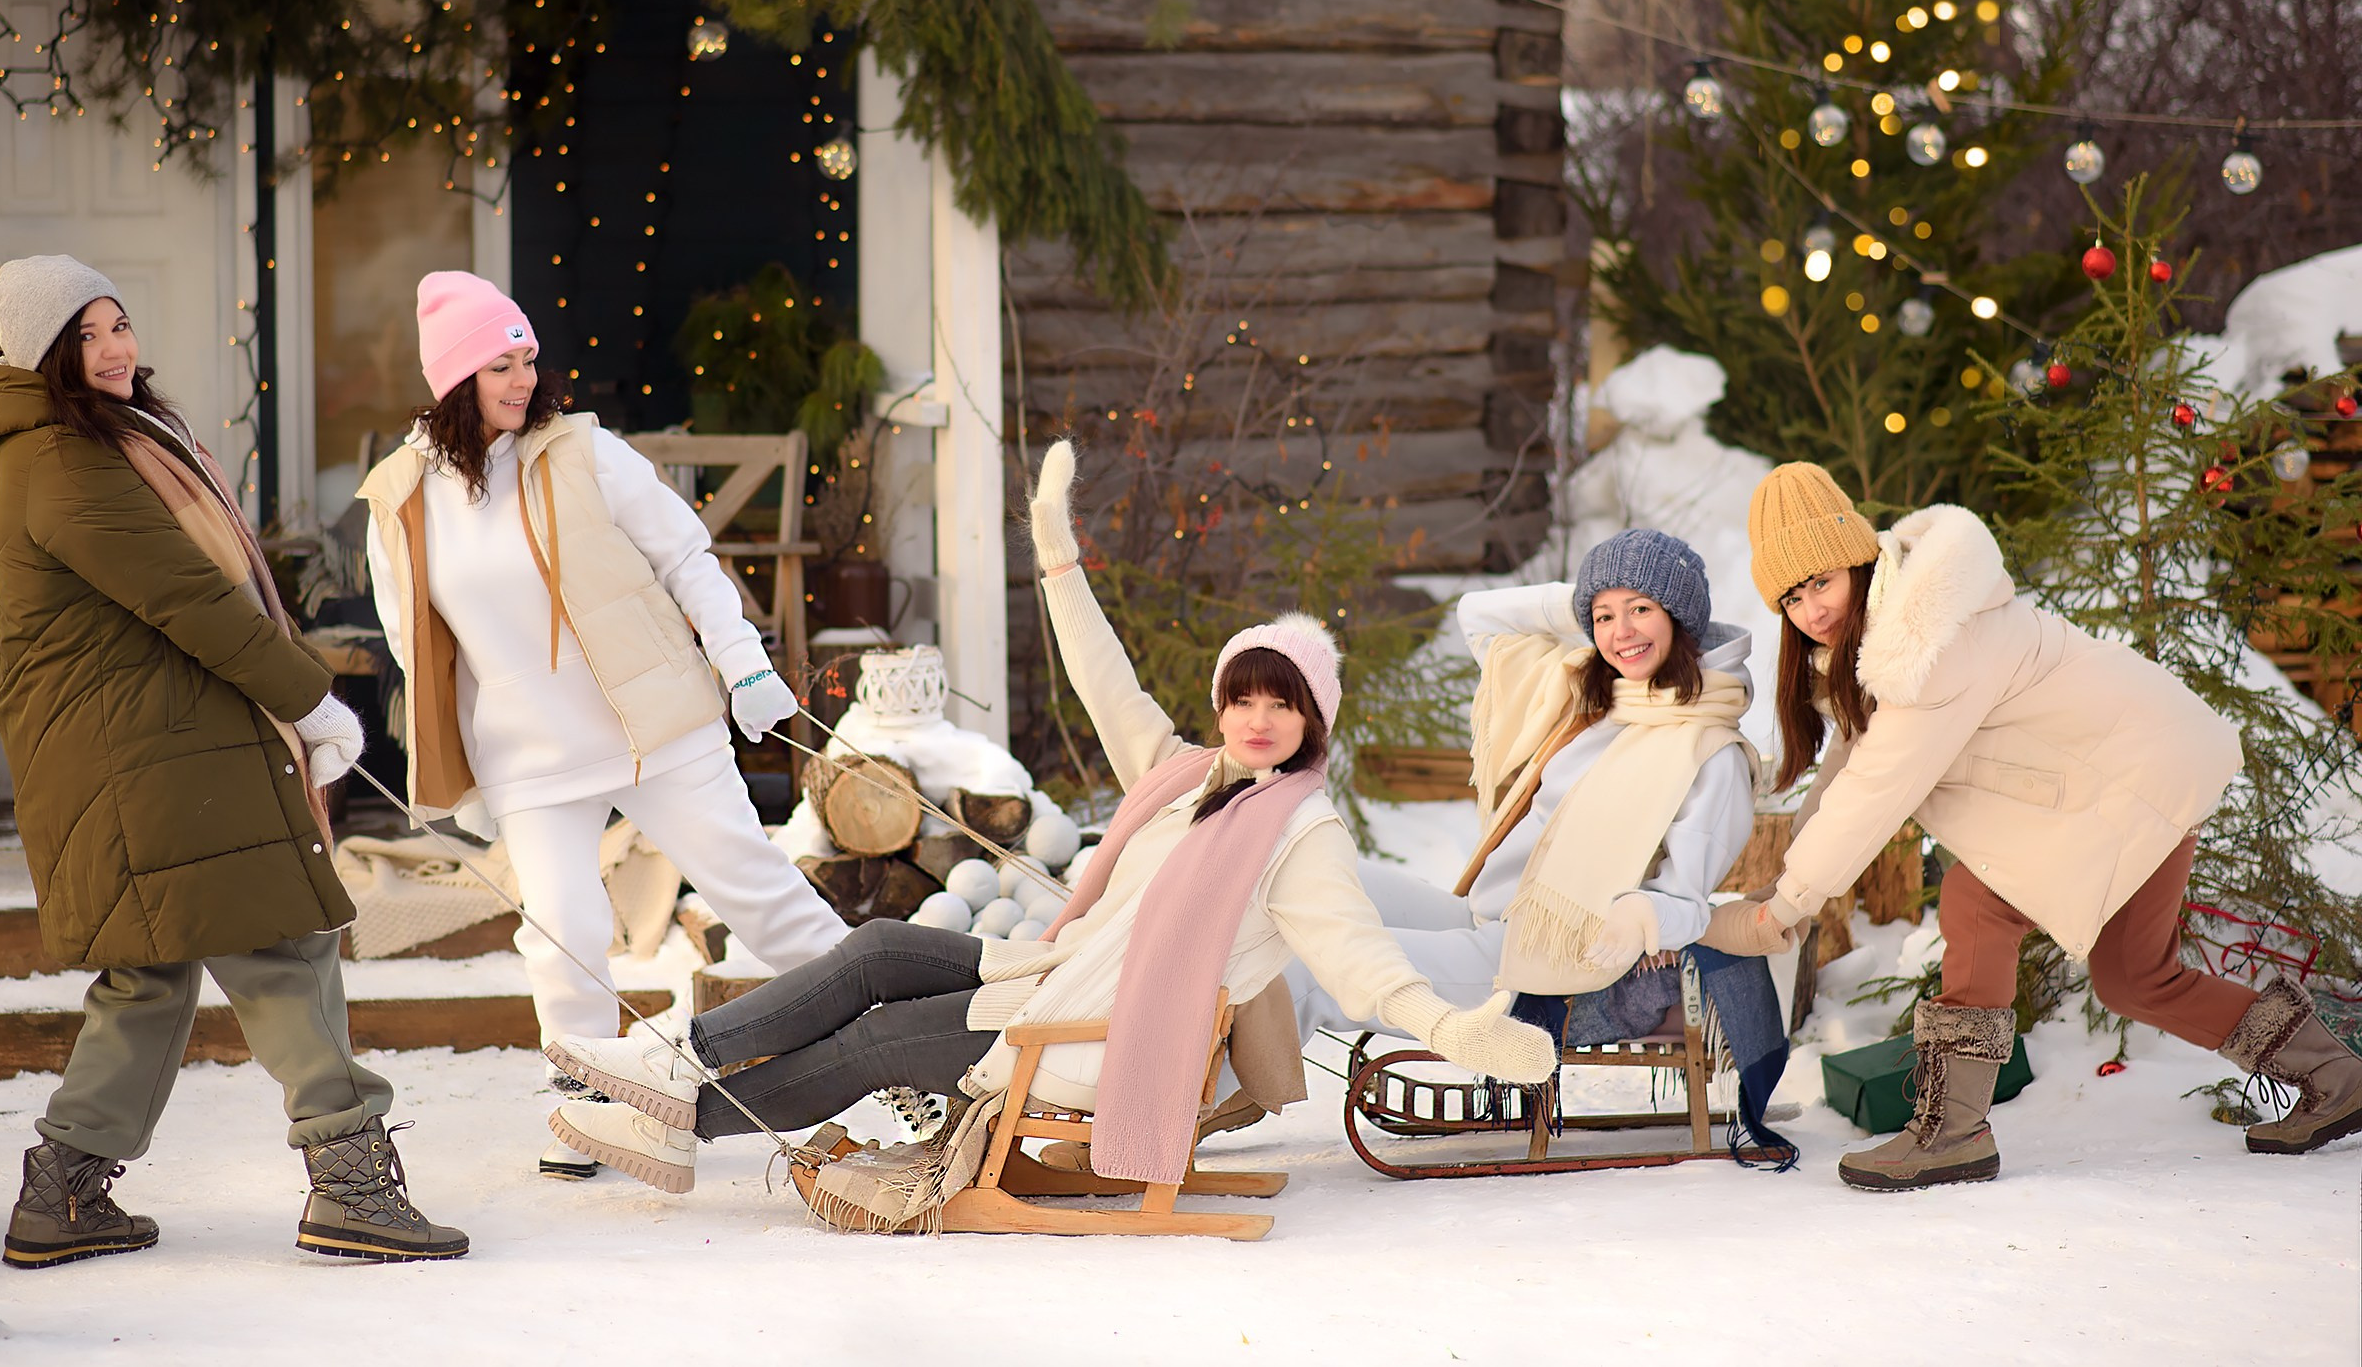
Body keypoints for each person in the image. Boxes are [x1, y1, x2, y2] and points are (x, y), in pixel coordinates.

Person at [541, 439, 1556, 1192]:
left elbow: (1362, 964)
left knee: (880, 1041)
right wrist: (1057, 551)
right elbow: (1102, 679)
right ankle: (679, 1063)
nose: (1256, 718)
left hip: (1103, 1034)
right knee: (883, 946)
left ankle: (680, 1107)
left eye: (1280, 702)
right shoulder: (1185, 773)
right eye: (1242, 696)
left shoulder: (1298, 835)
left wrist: (1459, 1029)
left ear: (1310, 723)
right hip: (1059, 980)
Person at [0, 256, 466, 1266]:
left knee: (150, 974)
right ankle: (350, 1181)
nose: (115, 348)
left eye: (119, 323)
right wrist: (309, 695)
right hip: (139, 751)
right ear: (42, 356)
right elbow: (188, 597)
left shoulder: (94, 439)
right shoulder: (61, 458)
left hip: (142, 742)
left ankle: (64, 1191)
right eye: (86, 335)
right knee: (284, 939)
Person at [1738, 462, 2362, 1190]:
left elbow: (1877, 789)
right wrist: (1786, 888)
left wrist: (1785, 909)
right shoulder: (1881, 641)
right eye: (1791, 595)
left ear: (1857, 558)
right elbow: (1849, 767)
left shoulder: (1929, 637)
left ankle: (1953, 1132)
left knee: (1977, 902)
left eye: (1821, 582)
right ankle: (2336, 1078)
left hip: (2137, 771)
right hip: (2128, 774)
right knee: (2135, 977)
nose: (1810, 607)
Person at [358, 271, 850, 1179]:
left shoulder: (584, 452)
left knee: (756, 892)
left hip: (651, 720)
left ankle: (899, 1041)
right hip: (529, 751)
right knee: (564, 925)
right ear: (453, 377)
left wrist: (742, 658)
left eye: (528, 359)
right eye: (499, 364)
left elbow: (685, 553)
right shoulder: (402, 500)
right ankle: (588, 1099)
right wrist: (453, 765)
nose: (522, 380)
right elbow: (412, 639)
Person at [1280, 529, 1794, 1149]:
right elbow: (1479, 615)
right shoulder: (1594, 694)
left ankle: (1173, 1121)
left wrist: (1637, 912)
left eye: (1641, 610)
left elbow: (1683, 901)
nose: (1620, 632)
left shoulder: (1712, 754)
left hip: (1542, 968)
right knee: (1310, 873)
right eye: (1604, 616)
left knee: (1309, 969)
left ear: (1680, 617)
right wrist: (1590, 603)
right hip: (1489, 918)